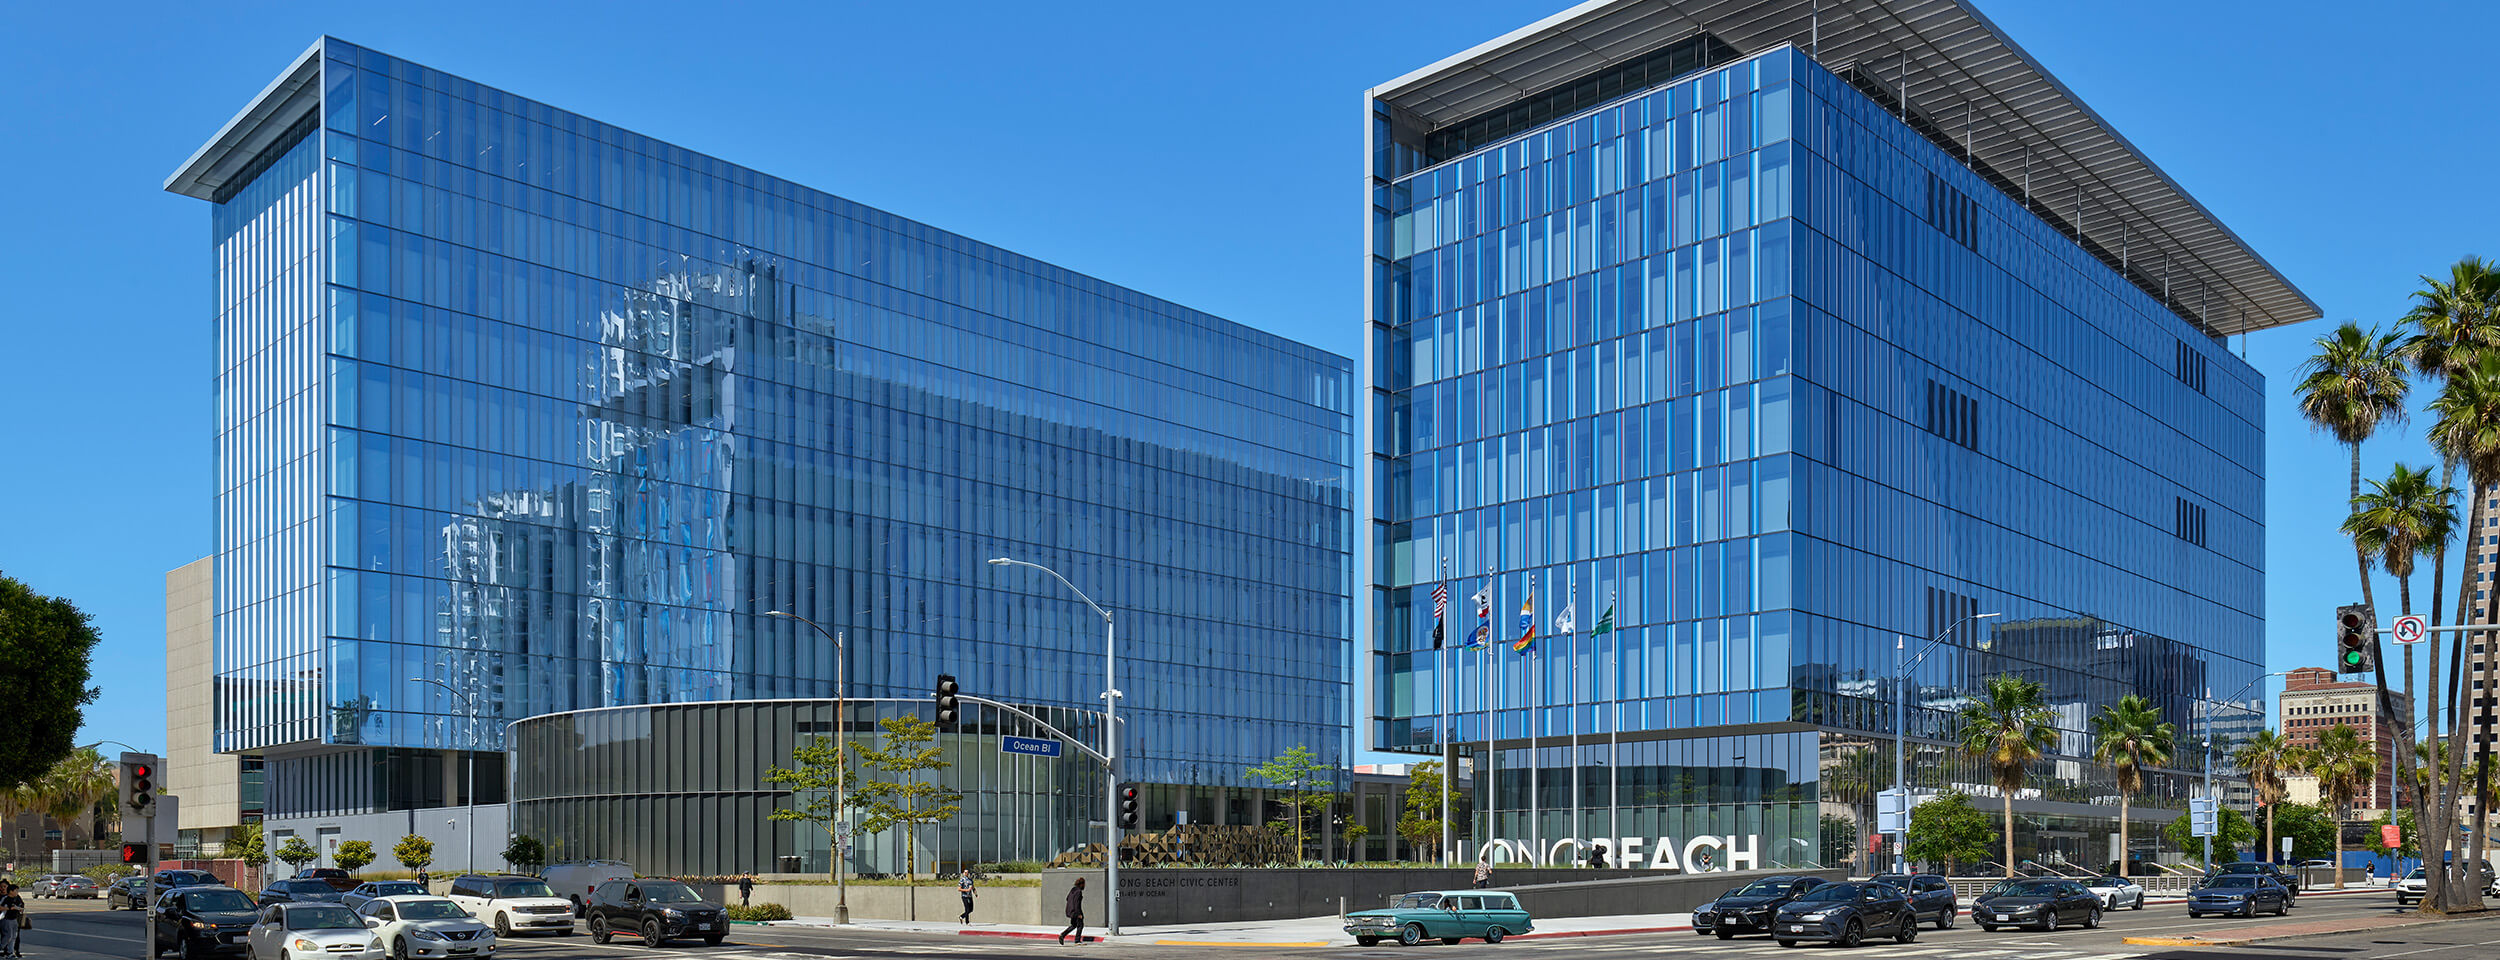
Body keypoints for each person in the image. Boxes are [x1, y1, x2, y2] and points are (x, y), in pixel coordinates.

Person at [1058, 877, 1085, 944]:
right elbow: (1077, 903)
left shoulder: (1073, 890)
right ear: (1081, 884)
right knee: (1080, 925)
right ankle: (1077, 941)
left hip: (1071, 911)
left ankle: (1063, 935)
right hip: (1076, 911)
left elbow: (1067, 898)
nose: (1084, 886)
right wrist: (1079, 914)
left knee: (1074, 925)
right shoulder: (1078, 891)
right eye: (1084, 884)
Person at [1, 880, 23, 959]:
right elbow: (0, 907)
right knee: (8, 936)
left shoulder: (17, 898)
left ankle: (11, 952)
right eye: (16, 890)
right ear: (10, 891)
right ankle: (1, 948)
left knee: (14, 936)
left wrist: (19, 908)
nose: (17, 892)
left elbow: (21, 905)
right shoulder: (6, 898)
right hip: (6, 919)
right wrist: (10, 908)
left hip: (14, 919)